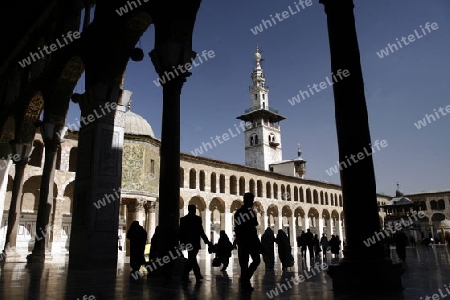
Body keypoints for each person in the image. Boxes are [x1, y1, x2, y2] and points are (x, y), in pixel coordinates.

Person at [234, 192, 261, 291]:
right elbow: (255, 223)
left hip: (242, 241)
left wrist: (237, 239)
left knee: (244, 263)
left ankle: (245, 281)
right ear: (249, 201)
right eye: (252, 200)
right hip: (251, 240)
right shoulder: (250, 212)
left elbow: (236, 227)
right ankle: (246, 280)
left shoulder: (237, 213)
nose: (252, 202)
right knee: (256, 260)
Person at [180, 204, 212, 283]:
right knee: (192, 258)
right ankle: (188, 275)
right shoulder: (197, 219)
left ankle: (195, 275)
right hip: (195, 242)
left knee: (192, 258)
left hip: (188, 242)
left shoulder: (183, 219)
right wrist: (206, 241)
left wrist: (182, 243)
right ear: (194, 210)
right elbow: (201, 231)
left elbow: (181, 233)